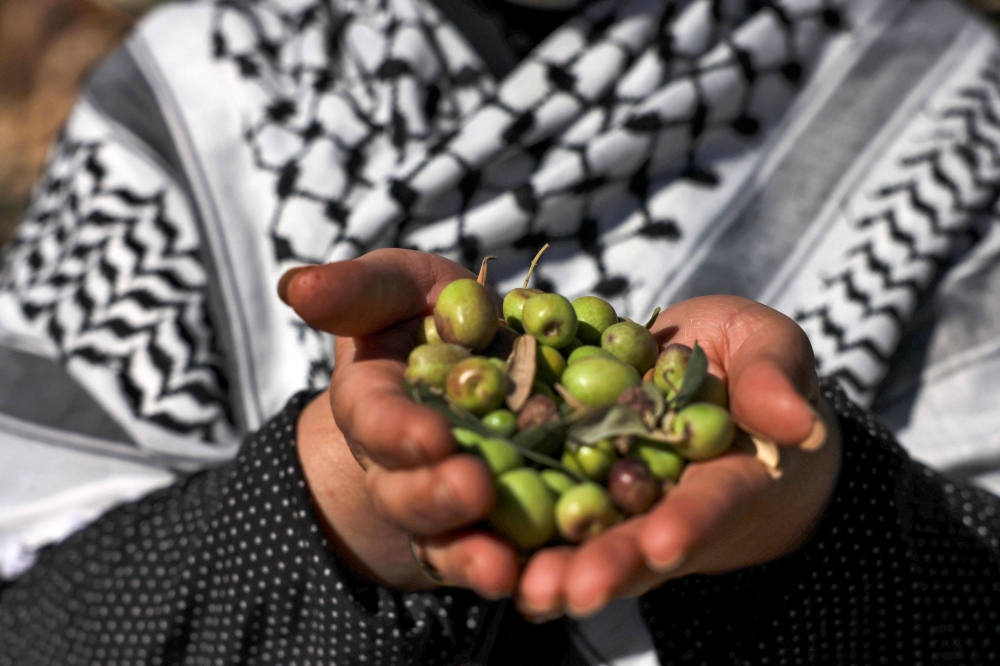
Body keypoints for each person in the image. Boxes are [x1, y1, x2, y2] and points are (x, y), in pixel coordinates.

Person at [1, 0, 999, 663]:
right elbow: (34, 626)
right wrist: (327, 514)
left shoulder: (941, 108)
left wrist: (828, 528)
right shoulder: (197, 80)